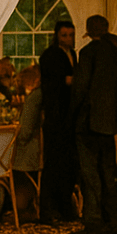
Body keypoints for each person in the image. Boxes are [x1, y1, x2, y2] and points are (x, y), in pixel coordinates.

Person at [69, 15, 117, 234]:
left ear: (88, 31)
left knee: (90, 174)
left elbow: (80, 88)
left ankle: (93, 222)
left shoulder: (87, 53)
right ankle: (110, 221)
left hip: (88, 122)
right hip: (111, 122)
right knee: (108, 172)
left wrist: (73, 115)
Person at [39, 19, 78, 222]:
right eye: (64, 35)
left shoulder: (73, 54)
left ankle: (65, 206)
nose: (68, 39)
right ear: (57, 35)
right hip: (55, 117)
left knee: (68, 164)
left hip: (70, 117)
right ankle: (47, 209)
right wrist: (65, 81)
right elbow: (48, 84)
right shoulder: (50, 55)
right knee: (52, 164)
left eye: (71, 35)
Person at [13, 65, 43, 220]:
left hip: (30, 152)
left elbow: (25, 132)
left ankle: (20, 208)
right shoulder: (41, 95)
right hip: (38, 148)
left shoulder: (33, 99)